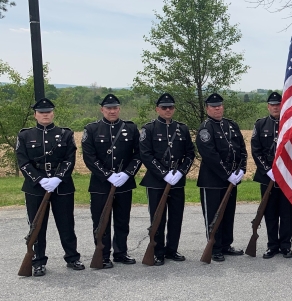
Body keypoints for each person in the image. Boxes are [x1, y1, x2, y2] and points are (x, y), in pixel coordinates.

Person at [17, 98, 84, 276]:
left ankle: (72, 257)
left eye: (48, 111)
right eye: (41, 112)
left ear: (53, 113)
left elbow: (69, 159)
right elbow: (23, 162)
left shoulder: (65, 134)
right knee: (37, 224)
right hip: (35, 186)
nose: (45, 114)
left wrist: (57, 178)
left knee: (66, 223)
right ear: (35, 115)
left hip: (61, 185)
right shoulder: (25, 135)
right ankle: (38, 261)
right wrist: (39, 179)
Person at [83, 93, 142, 268]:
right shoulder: (91, 129)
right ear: (102, 109)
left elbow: (138, 154)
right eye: (108, 108)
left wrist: (127, 174)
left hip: (124, 183)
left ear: (119, 109)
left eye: (115, 107)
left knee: (122, 220)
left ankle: (121, 252)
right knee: (101, 221)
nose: (112, 111)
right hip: (100, 184)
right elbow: (89, 157)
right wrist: (107, 175)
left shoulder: (130, 128)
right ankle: (102, 255)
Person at [139, 93, 195, 265]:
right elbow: (146, 155)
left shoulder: (182, 128)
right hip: (156, 181)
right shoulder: (148, 129)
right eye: (164, 107)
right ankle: (157, 251)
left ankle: (172, 249)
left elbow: (190, 153)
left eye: (170, 107)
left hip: (177, 180)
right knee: (158, 218)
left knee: (176, 217)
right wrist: (163, 173)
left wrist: (180, 172)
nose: (168, 110)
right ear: (157, 109)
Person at [196, 92, 247, 262]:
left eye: (219, 106)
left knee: (228, 213)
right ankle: (214, 247)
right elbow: (210, 155)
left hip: (232, 179)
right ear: (207, 108)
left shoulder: (231, 125)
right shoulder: (205, 128)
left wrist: (241, 169)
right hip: (212, 180)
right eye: (213, 106)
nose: (217, 109)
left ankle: (226, 244)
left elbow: (241, 149)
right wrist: (227, 175)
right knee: (213, 215)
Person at [251, 92, 292, 259]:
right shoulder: (261, 124)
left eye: (278, 104)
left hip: (286, 176)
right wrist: (267, 170)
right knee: (269, 212)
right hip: (267, 176)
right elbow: (256, 150)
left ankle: (285, 245)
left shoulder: (290, 124)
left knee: (286, 212)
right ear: (268, 106)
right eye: (273, 104)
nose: (276, 107)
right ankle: (272, 245)